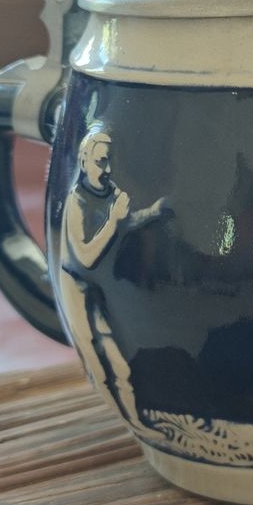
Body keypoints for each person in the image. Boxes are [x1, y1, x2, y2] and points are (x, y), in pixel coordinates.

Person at [58, 125, 167, 435]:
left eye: (108, 162)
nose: (106, 169)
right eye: (100, 162)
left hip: (96, 289)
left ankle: (138, 422)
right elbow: (85, 257)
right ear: (83, 162)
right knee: (97, 361)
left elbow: (125, 224)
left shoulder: (108, 191)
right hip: (76, 287)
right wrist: (113, 220)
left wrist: (153, 213)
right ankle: (131, 421)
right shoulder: (77, 202)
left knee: (119, 363)